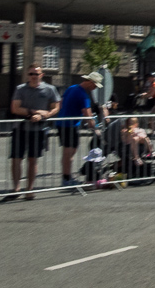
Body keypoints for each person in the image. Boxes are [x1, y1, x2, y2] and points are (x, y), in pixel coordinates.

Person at [8, 65, 60, 201]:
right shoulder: (21, 89)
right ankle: (16, 188)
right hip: (20, 128)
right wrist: (34, 112)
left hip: (38, 129)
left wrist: (45, 115)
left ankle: (29, 189)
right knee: (16, 159)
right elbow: (15, 108)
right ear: (27, 75)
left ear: (41, 75)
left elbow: (55, 107)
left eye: (36, 74)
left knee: (33, 160)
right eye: (31, 73)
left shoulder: (49, 89)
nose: (33, 76)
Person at [58, 72, 102, 187]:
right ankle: (66, 178)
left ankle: (66, 176)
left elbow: (61, 103)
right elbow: (88, 115)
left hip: (61, 122)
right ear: (90, 82)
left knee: (67, 151)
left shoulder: (71, 88)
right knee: (70, 152)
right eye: (95, 85)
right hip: (70, 125)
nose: (94, 88)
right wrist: (96, 129)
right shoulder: (83, 95)